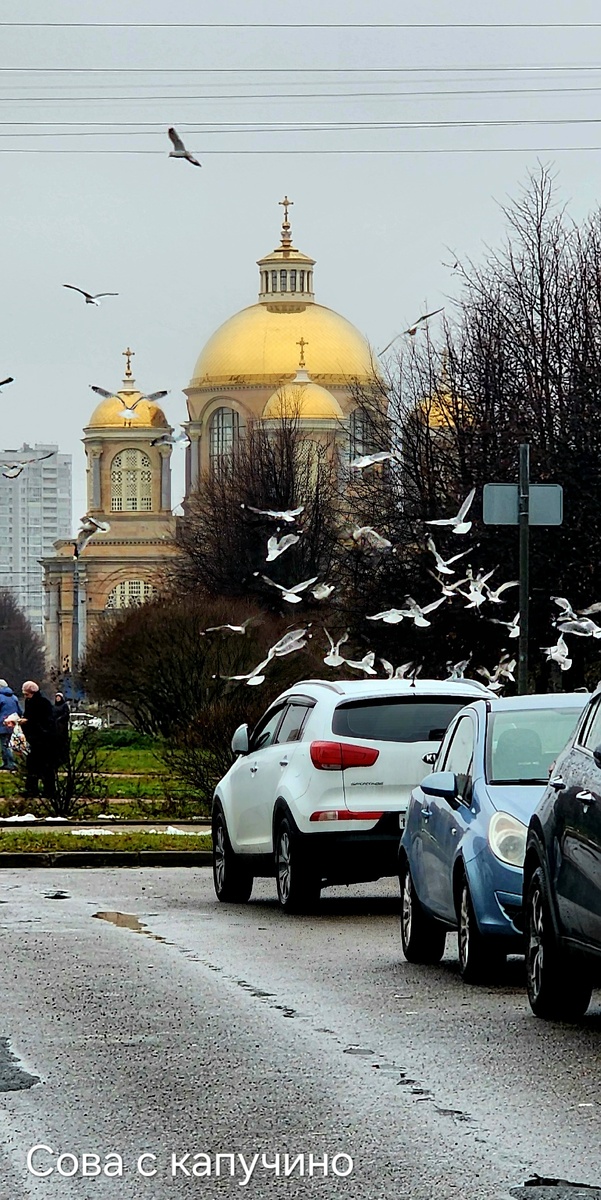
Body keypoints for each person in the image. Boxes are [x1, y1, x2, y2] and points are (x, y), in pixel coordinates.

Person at [21, 681, 57, 800]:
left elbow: (44, 721)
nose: (26, 697)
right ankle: (33, 789)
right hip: (36, 739)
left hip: (43, 739)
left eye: (27, 694)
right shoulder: (31, 702)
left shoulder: (42, 703)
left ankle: (48, 791)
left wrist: (28, 722)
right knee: (33, 766)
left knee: (45, 766)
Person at [0, 679, 22, 771]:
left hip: (2, 724)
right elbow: (20, 711)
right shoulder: (14, 697)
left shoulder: (0, 697)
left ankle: (10, 763)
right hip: (13, 724)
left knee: (4, 744)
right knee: (9, 743)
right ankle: (8, 762)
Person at [54, 692, 70, 764]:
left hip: (62, 727)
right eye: (56, 697)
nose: (57, 698)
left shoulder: (64, 706)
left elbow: (66, 714)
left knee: (63, 743)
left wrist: (60, 719)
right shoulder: (54, 706)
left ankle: (65, 759)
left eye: (59, 697)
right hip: (55, 727)